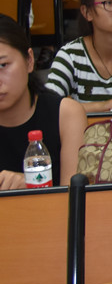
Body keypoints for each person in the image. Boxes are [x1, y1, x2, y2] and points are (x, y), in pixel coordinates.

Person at [0, 16, 87, 189]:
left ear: (29, 60)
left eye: (3, 65)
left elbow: (74, 200)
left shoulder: (66, 115)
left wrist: (31, 186)